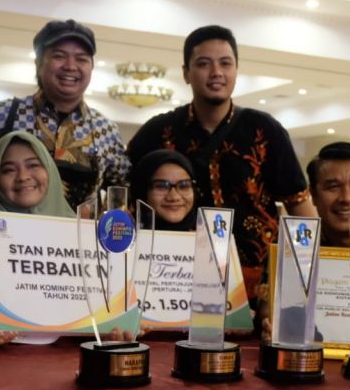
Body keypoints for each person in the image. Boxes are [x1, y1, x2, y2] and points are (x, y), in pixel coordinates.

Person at [128, 25, 315, 301]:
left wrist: (298, 283)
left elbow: (300, 210)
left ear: (236, 70)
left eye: (225, 63)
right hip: (173, 280)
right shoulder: (158, 131)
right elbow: (127, 202)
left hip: (257, 288)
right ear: (186, 73)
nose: (216, 72)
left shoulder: (265, 130)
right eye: (204, 63)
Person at [0, 19, 129, 210]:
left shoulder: (106, 131)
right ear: (39, 63)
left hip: (77, 230)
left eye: (81, 59)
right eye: (59, 56)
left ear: (91, 67)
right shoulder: (2, 115)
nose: (70, 66)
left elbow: (122, 189)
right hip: (7, 228)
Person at [259, 141, 350, 340]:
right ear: (314, 195)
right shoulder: (294, 248)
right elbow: (268, 307)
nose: (347, 198)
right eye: (333, 187)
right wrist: (271, 322)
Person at [0, 130, 73, 348]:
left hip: (67, 349)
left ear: (50, 170)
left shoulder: (78, 228)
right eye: (8, 169)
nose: (23, 176)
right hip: (3, 349)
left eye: (33, 165)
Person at [129, 149, 199, 231]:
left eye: (183, 186)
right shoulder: (124, 235)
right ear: (142, 192)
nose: (174, 197)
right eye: (161, 186)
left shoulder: (207, 236)